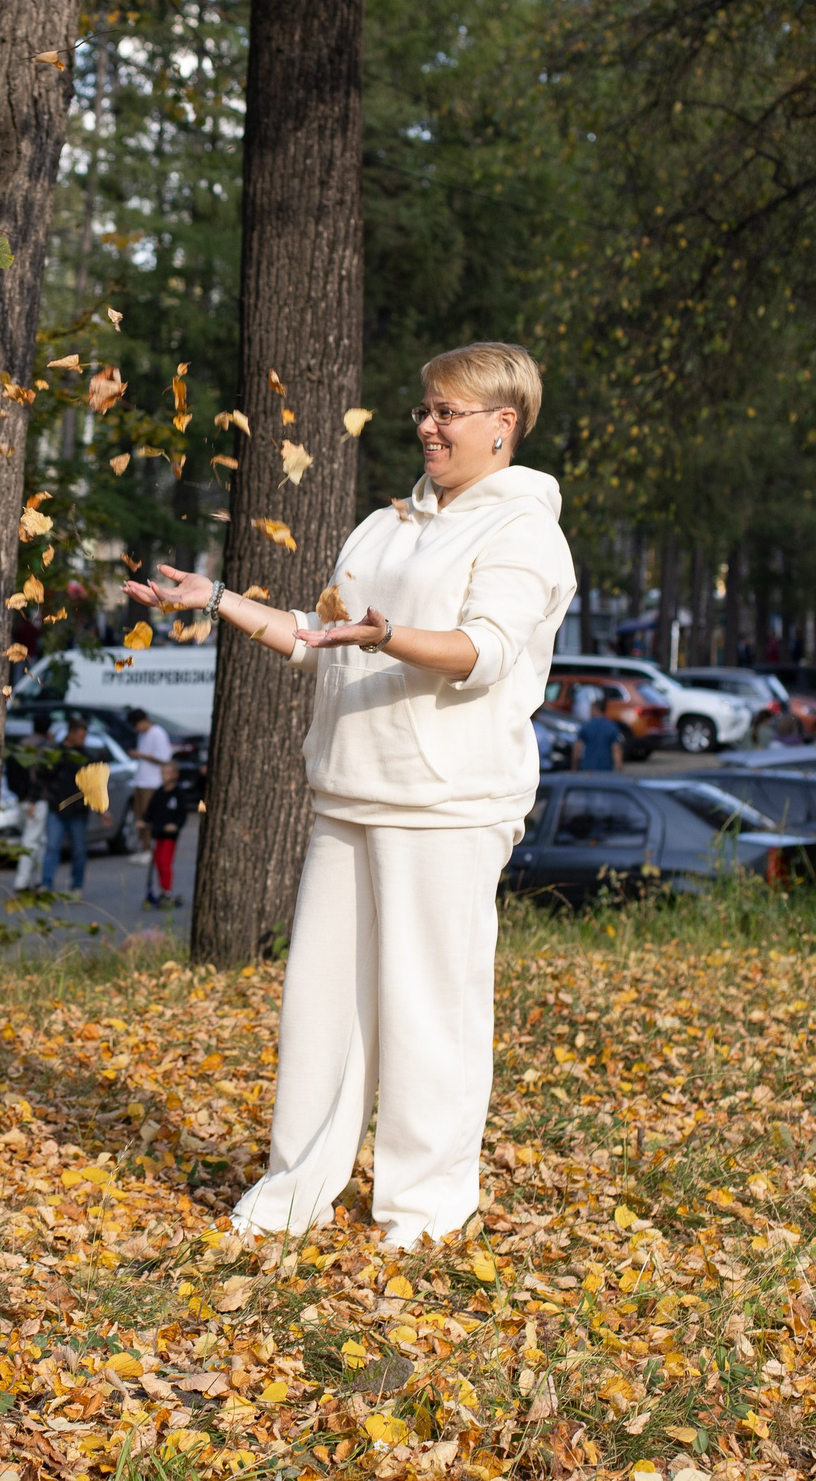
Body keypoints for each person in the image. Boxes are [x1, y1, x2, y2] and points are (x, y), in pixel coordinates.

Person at [123, 341, 574, 1250]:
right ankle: (294, 1191)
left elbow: (484, 651)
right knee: (320, 1011)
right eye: (425, 409)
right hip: (348, 791)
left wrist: (389, 634)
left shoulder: (524, 529)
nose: (429, 426)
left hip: (447, 803)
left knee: (428, 1010)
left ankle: (424, 1213)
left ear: (504, 424)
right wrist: (218, 599)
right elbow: (321, 635)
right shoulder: (382, 526)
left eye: (449, 412)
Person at [39, 718, 95, 892]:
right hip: (57, 807)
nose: (83, 740)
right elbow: (44, 775)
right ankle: (46, 883)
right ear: (71, 733)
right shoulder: (56, 752)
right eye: (80, 736)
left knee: (79, 850)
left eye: (84, 736)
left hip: (78, 810)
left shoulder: (85, 756)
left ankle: (77, 885)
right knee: (52, 847)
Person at [7, 713, 55, 890]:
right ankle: (23, 880)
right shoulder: (44, 747)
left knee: (38, 839)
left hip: (21, 798)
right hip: (36, 799)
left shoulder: (22, 744)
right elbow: (40, 777)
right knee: (32, 839)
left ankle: (37, 877)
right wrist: (34, 799)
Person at [140, 761, 195, 909]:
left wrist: (175, 825)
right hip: (158, 833)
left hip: (169, 836)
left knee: (165, 862)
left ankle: (167, 891)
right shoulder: (159, 793)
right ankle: (162, 890)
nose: (164, 776)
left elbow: (182, 814)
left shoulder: (178, 794)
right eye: (163, 773)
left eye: (167, 773)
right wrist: (144, 821)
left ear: (175, 775)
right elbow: (151, 810)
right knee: (158, 861)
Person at [124, 706, 174, 859]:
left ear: (143, 721)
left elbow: (164, 758)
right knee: (140, 816)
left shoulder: (158, 733)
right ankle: (144, 847)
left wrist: (140, 755)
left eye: (136, 725)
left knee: (148, 816)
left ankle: (150, 849)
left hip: (152, 782)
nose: (136, 729)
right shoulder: (142, 735)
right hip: (141, 780)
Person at [574, 690, 627, 772]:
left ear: (596, 709)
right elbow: (616, 749)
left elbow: (577, 748)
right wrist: (618, 766)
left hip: (587, 770)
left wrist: (574, 766)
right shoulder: (612, 727)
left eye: (591, 709)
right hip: (605, 770)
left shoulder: (586, 726)